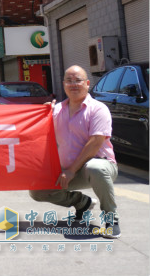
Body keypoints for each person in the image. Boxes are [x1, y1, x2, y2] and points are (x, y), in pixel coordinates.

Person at [29, 65, 120, 238]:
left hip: (100, 166)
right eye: (69, 81)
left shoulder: (98, 109)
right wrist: (43, 112)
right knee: (37, 189)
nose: (73, 84)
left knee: (96, 168)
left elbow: (95, 142)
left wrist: (71, 170)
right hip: (68, 171)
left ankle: (111, 219)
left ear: (87, 83)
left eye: (78, 80)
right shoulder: (56, 111)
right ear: (63, 85)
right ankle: (82, 203)